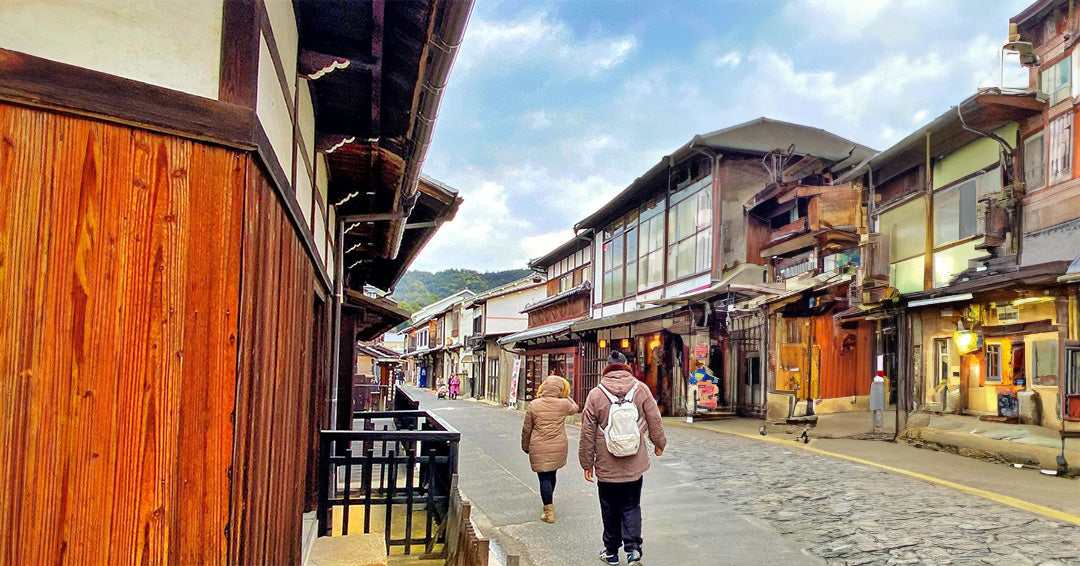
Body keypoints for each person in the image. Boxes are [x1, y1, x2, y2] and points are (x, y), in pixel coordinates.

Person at [579, 351, 666, 566]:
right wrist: (659, 444)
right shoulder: (641, 389)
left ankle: (611, 552)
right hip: (634, 461)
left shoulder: (596, 394)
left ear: (606, 368)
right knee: (631, 505)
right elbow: (654, 419)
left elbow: (587, 432)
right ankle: (633, 551)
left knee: (609, 508)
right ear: (626, 366)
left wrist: (586, 462)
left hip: (607, 465)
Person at [521, 374, 579, 523]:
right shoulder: (564, 404)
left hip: (538, 444)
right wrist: (566, 396)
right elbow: (575, 408)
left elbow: (527, 428)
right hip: (558, 444)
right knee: (552, 474)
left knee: (543, 477)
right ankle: (549, 505)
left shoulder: (534, 405)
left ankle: (548, 511)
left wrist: (525, 445)